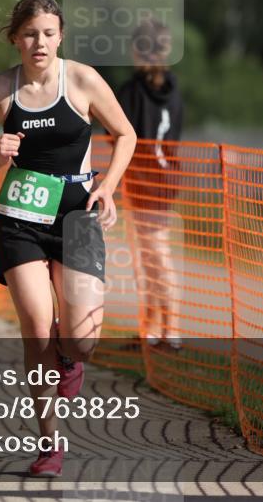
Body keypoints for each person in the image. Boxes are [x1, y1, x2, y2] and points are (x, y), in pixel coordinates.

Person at [0, 0, 136, 477]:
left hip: (77, 217)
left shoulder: (81, 79)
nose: (39, 42)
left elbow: (126, 135)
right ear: (15, 38)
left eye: (48, 33)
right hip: (19, 218)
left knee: (81, 342)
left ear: (60, 36)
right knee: (37, 327)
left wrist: (108, 186)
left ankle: (70, 355)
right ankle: (49, 443)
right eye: (30, 33)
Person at [116, 18, 184, 349]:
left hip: (145, 182)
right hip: (166, 178)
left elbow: (116, 136)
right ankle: (153, 328)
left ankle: (171, 330)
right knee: (150, 256)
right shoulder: (173, 89)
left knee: (156, 255)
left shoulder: (130, 93)